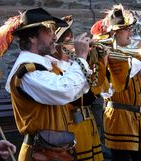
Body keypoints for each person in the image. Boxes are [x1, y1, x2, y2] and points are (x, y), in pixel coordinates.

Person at [4, 8, 92, 161]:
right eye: (49, 30)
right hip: (40, 154)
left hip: (57, 151)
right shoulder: (28, 71)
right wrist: (82, 58)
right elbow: (65, 91)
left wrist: (87, 63)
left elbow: (78, 91)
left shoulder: (46, 65)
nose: (54, 36)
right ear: (32, 37)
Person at [90, 4, 141, 161]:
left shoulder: (132, 54)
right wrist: (139, 56)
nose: (130, 32)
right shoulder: (104, 55)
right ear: (114, 33)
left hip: (140, 120)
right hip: (119, 119)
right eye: (126, 29)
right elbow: (110, 87)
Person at [47, 15, 103, 160]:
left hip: (88, 125)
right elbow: (84, 99)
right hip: (72, 128)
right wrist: (82, 58)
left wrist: (101, 62)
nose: (72, 45)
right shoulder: (54, 69)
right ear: (57, 46)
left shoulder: (75, 66)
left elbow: (98, 89)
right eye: (67, 42)